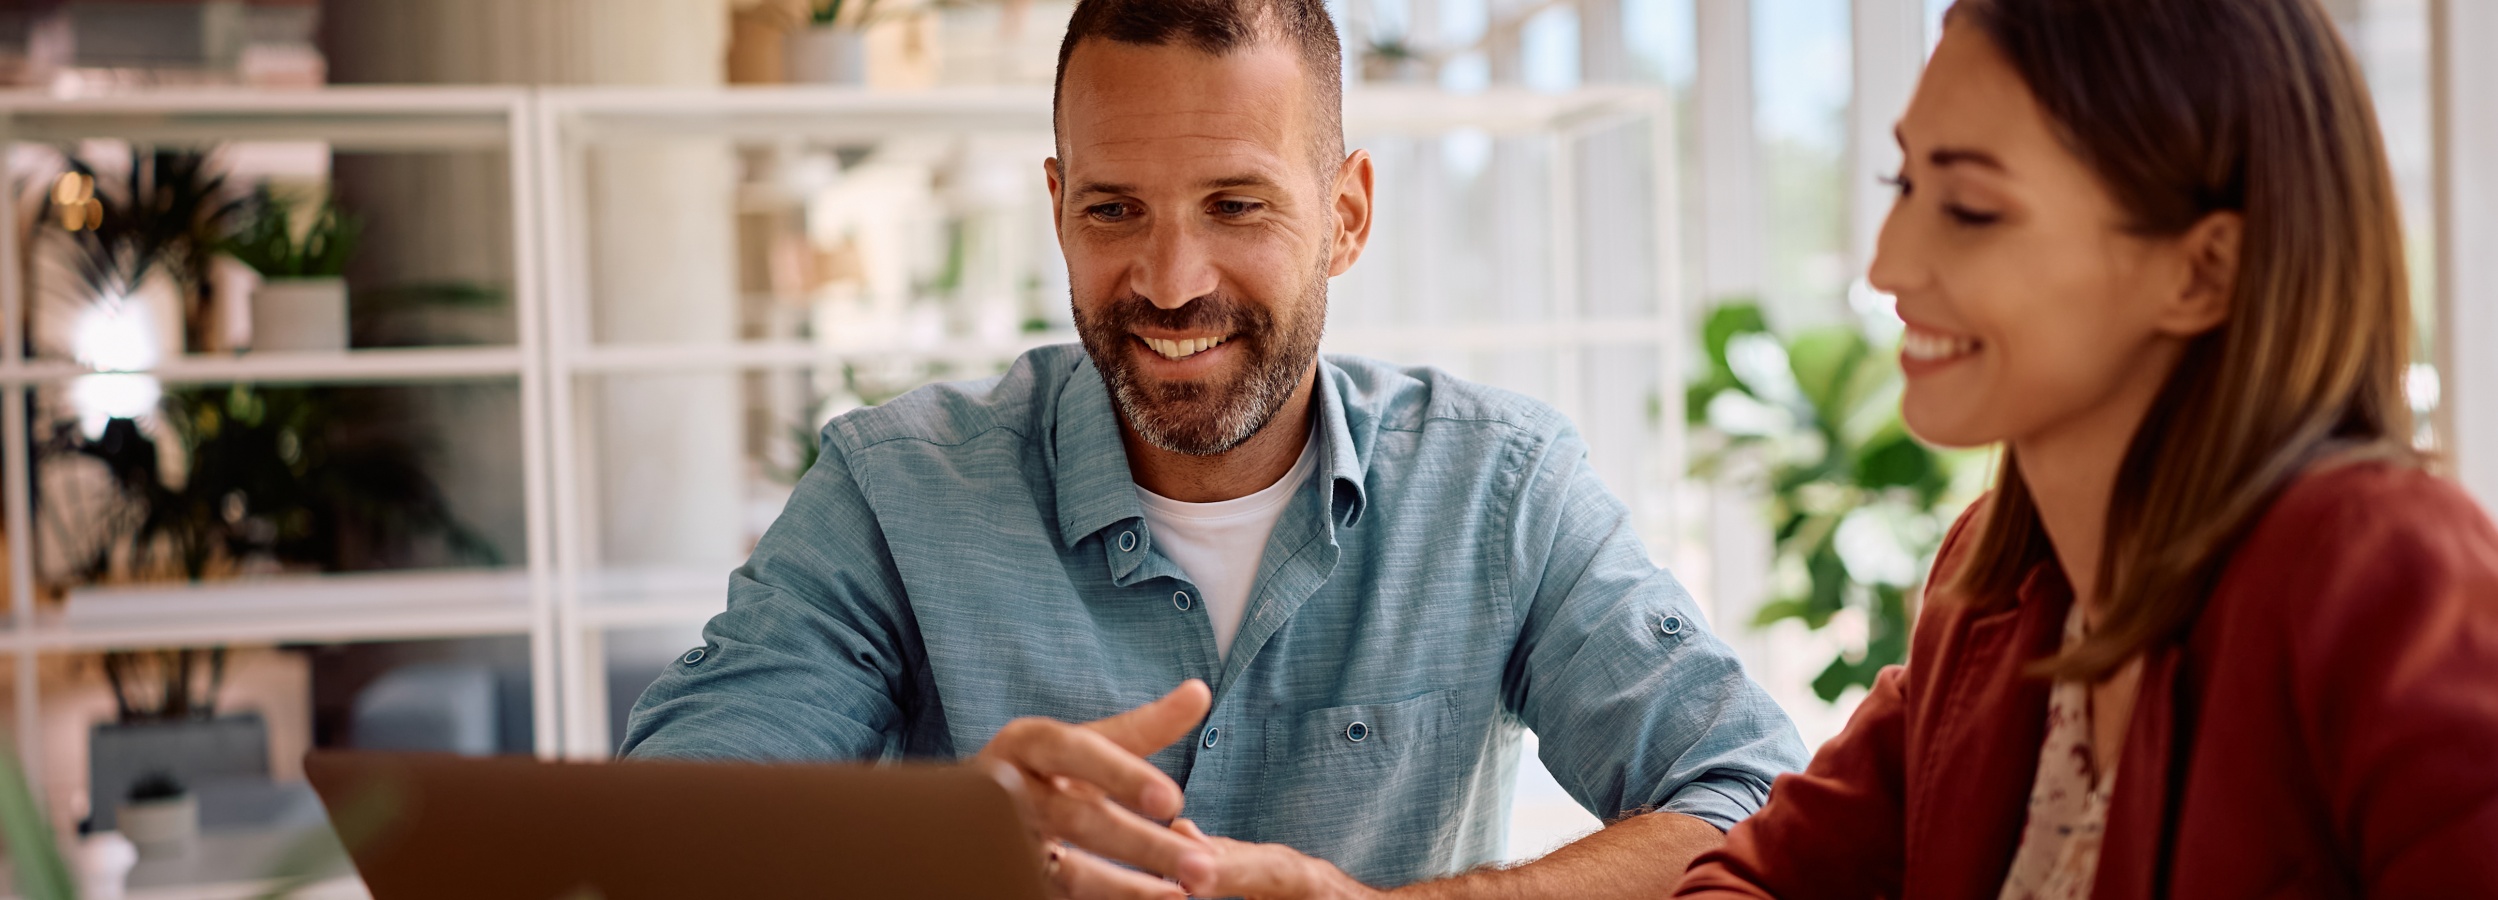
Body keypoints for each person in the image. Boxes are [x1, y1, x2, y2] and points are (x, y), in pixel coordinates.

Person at [621, 0, 1806, 897]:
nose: (1169, 284)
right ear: (1057, 206)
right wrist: (955, 841)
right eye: (1112, 209)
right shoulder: (894, 489)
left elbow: (1752, 802)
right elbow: (663, 836)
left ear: (1343, 216)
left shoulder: (1499, 491)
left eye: (1234, 207)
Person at [1674, 0, 2498, 897]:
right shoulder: (1988, 594)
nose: (1888, 265)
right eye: (1902, 185)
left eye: (1972, 208)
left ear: (2202, 272)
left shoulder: (2383, 574)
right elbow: (1745, 879)